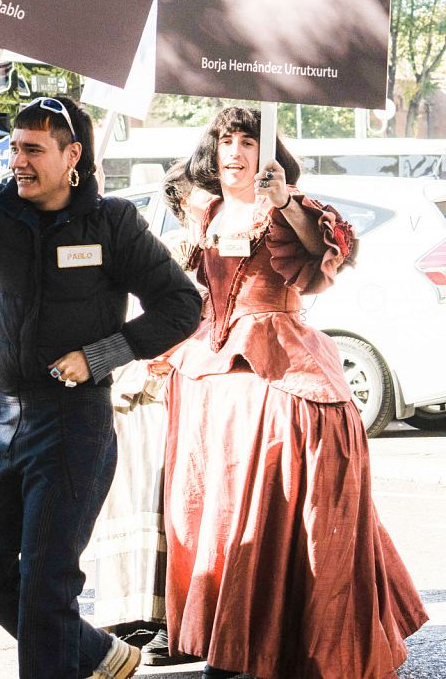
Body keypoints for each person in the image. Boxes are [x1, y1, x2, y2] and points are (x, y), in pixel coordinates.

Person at [0, 96, 202, 679]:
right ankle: (94, 655)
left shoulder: (111, 223)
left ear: (72, 155)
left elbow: (182, 305)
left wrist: (102, 355)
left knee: (45, 583)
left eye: (33, 149)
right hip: (5, 416)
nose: (17, 161)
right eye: (14, 148)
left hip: (74, 423)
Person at [162, 106, 427, 679]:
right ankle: (227, 640)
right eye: (226, 139)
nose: (235, 151)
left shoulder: (294, 208)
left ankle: (284, 642)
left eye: (250, 140)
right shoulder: (202, 207)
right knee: (221, 521)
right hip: (210, 382)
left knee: (277, 520)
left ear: (271, 151)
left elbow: (321, 253)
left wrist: (282, 200)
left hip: (279, 377)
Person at [87, 162, 199, 668]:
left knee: (166, 493)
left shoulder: (230, 241)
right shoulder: (169, 248)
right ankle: (132, 611)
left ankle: (175, 617)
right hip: (146, 378)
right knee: (128, 488)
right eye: (188, 201)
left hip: (190, 381)